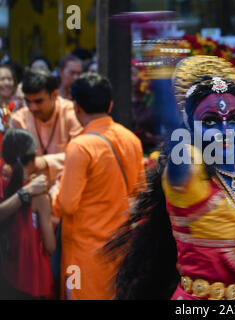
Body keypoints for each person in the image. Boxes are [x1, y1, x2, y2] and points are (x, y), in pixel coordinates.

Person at [106, 56, 235, 300]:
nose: (225, 132)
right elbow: (172, 128)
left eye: (234, 120)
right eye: (210, 121)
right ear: (188, 127)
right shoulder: (188, 175)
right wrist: (160, 60)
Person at [52, 72, 145, 300]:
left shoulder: (81, 146)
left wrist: (54, 192)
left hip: (84, 253)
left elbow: (67, 205)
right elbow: (140, 193)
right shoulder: (131, 139)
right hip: (120, 248)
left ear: (76, 107)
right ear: (110, 104)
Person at [0, 129, 55, 299]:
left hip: (9, 271)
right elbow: (50, 245)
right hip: (33, 276)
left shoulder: (4, 184)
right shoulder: (39, 196)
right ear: (33, 159)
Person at [10, 68, 82, 192]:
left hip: (69, 187)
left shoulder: (73, 114)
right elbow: (16, 163)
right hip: (32, 191)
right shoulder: (19, 119)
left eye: (38, 101)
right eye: (28, 101)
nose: (33, 107)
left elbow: (80, 158)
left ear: (54, 94)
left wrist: (43, 162)